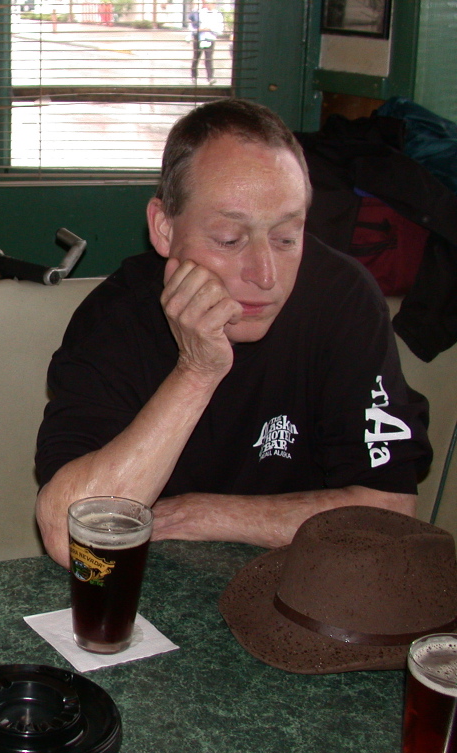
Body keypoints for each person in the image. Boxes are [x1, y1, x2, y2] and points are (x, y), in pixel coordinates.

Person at [34, 98, 431, 567]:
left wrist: (201, 515)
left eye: (286, 238)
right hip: (156, 584)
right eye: (229, 239)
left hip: (303, 582)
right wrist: (196, 371)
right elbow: (69, 536)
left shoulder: (342, 299)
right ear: (164, 228)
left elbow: (389, 512)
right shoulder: (116, 318)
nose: (265, 275)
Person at [189, 1, 224, 86]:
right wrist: (197, 30)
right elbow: (192, 25)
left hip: (210, 38)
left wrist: (210, 29)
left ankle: (210, 78)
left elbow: (220, 30)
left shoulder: (218, 15)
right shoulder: (199, 13)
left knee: (208, 58)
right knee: (196, 57)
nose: (208, 5)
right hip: (198, 38)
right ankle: (193, 76)